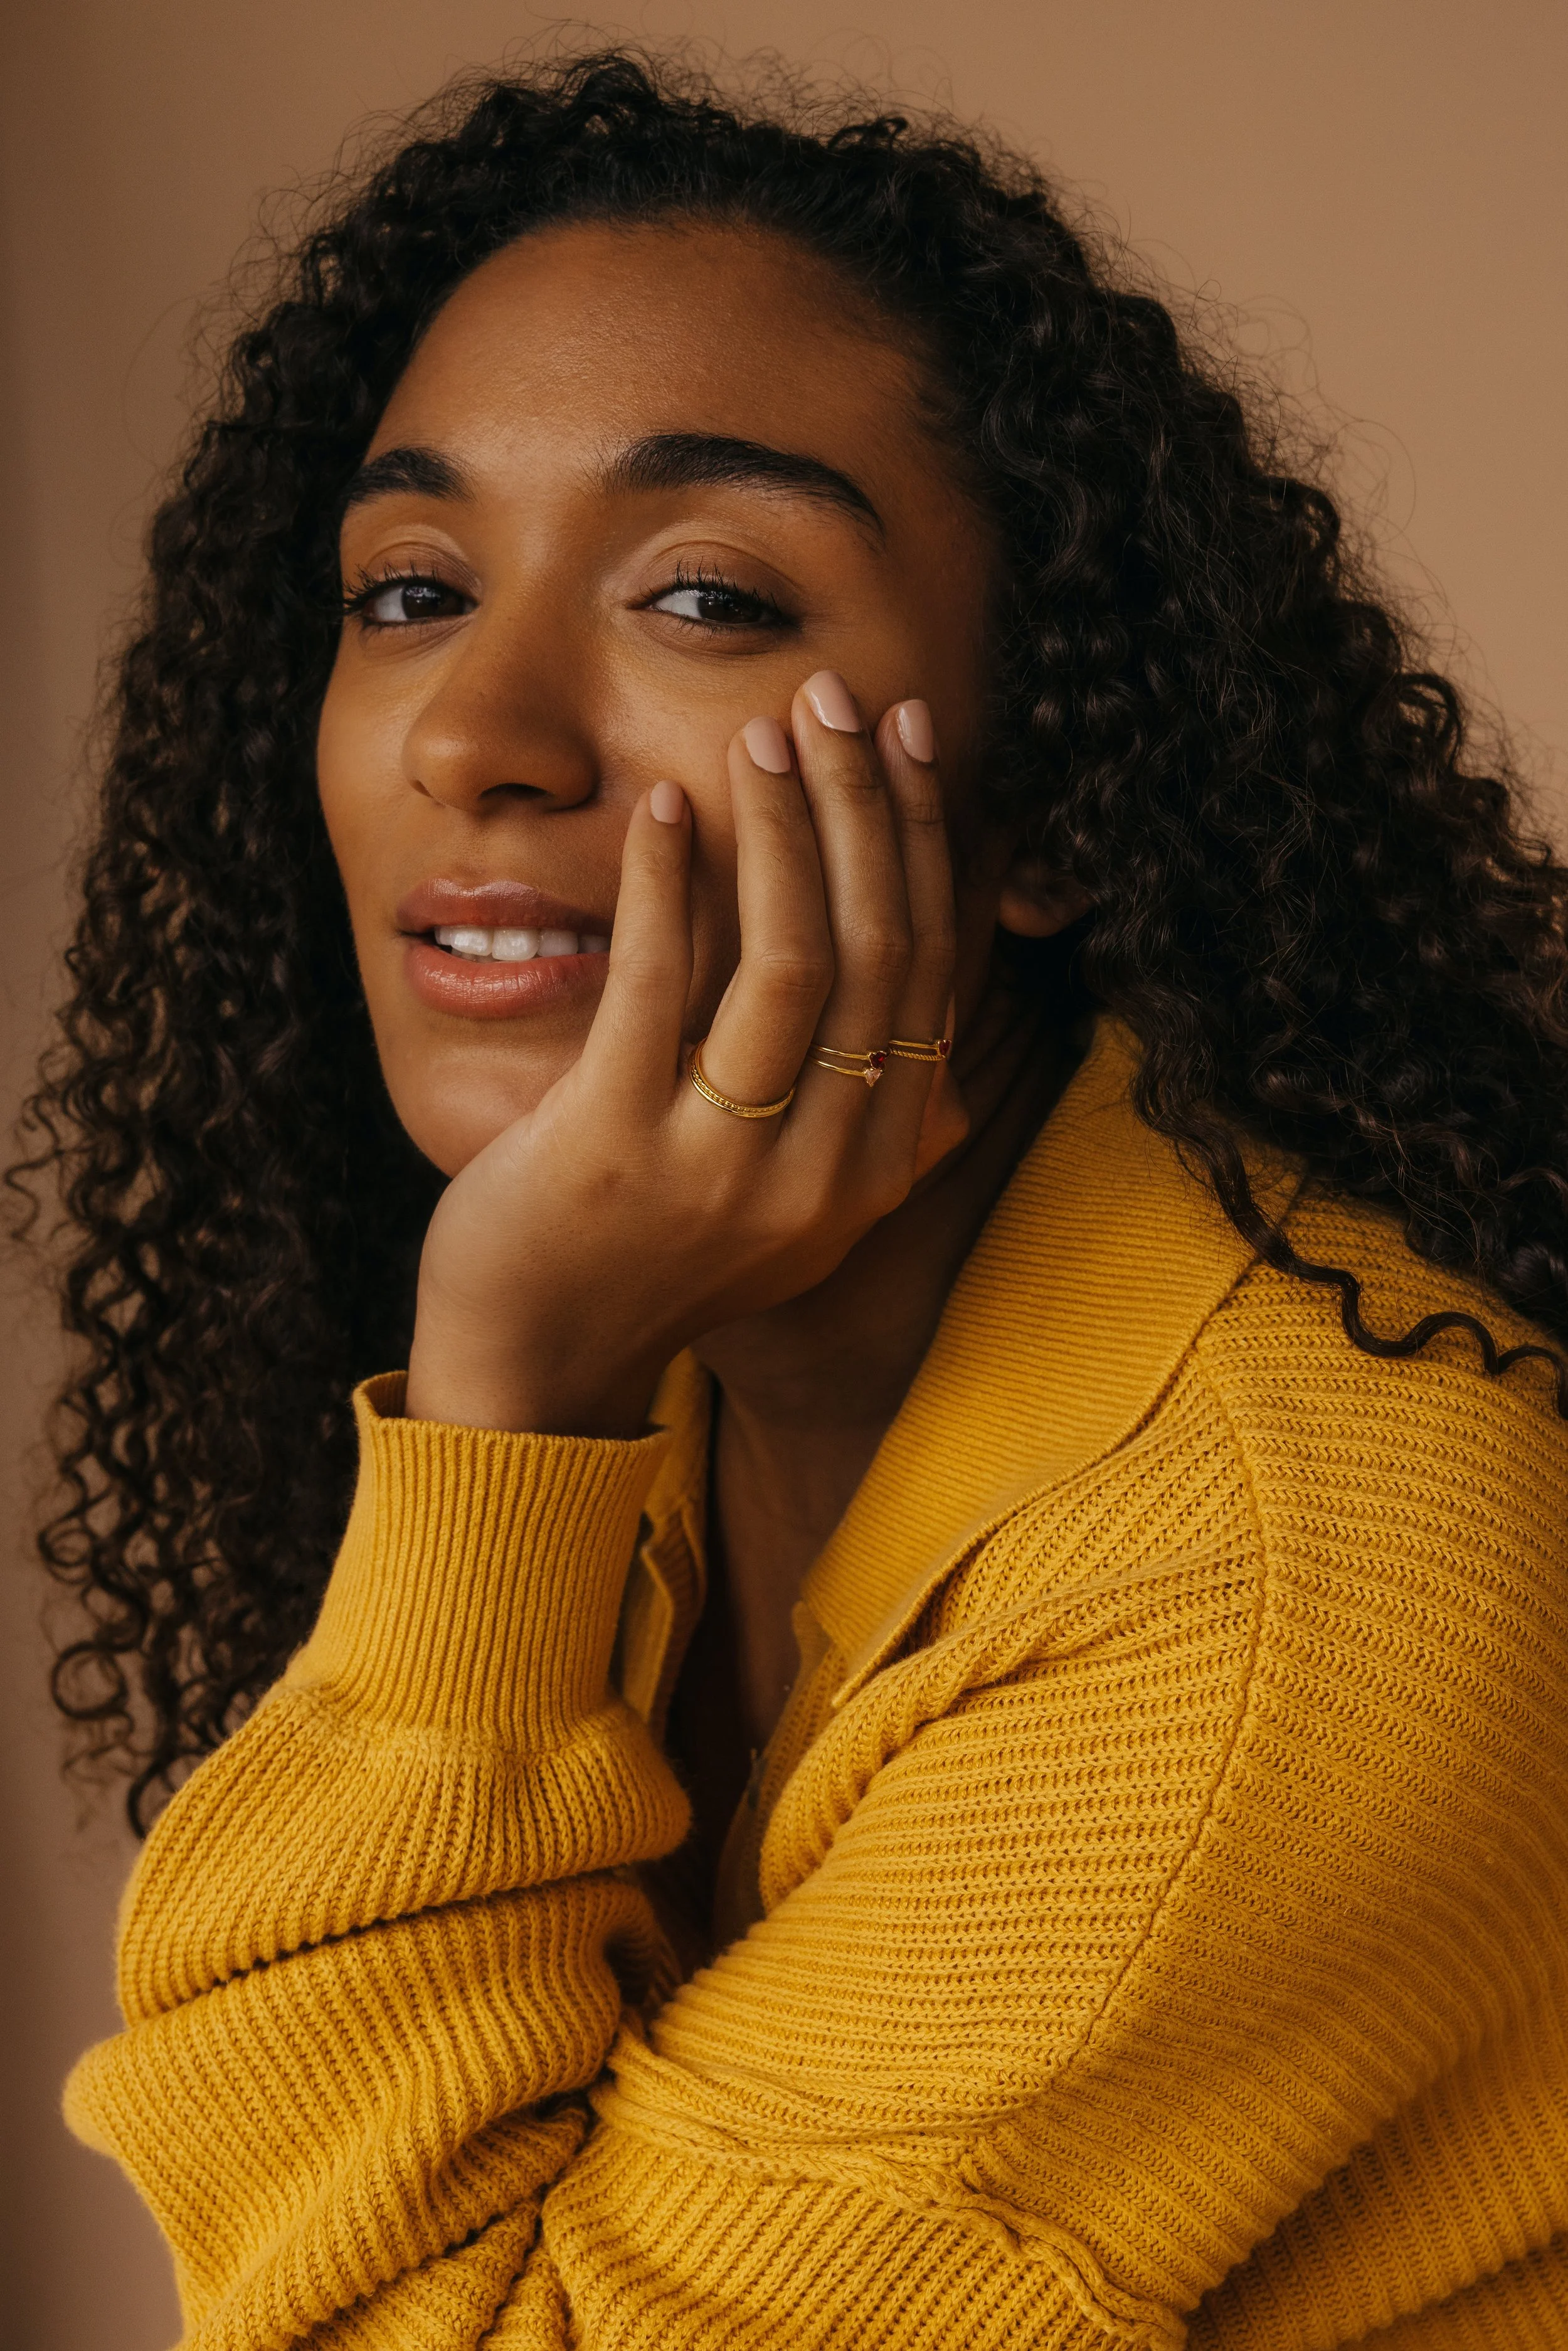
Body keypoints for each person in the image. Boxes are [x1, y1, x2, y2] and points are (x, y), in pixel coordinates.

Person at [17, 48, 1568, 2350]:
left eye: (710, 598)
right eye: (411, 584)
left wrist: (503, 1421)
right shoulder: (694, 1361)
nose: (480, 734)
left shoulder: (1285, 1572)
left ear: (1059, 794)